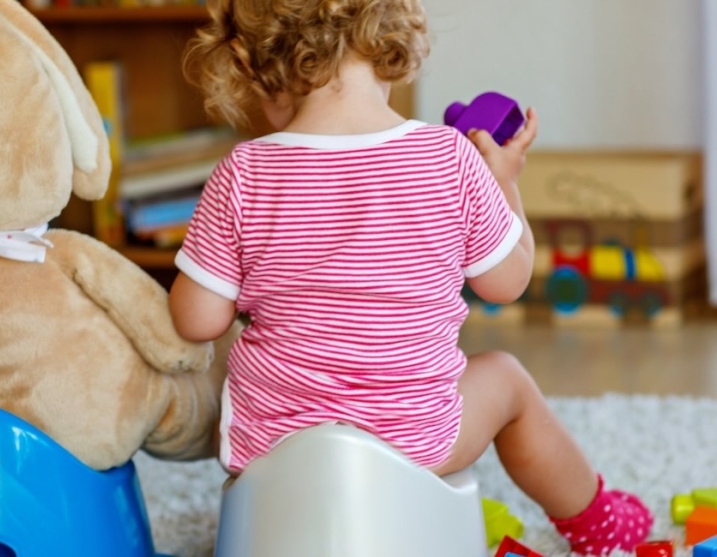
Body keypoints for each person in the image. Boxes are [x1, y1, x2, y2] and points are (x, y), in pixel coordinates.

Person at [169, 0, 653, 553]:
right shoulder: (449, 158)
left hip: (273, 446)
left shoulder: (243, 171)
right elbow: (508, 280)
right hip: (414, 436)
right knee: (508, 377)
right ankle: (598, 522)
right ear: (387, 47)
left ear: (260, 68)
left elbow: (198, 319)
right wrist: (505, 185)